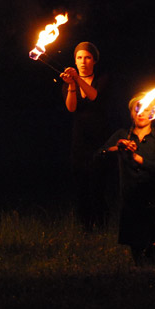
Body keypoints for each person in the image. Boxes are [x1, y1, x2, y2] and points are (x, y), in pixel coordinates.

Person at [97, 93, 155, 265]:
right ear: (131, 113)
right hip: (132, 199)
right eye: (137, 109)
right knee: (141, 258)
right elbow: (99, 156)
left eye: (145, 109)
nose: (141, 113)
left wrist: (134, 156)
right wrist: (118, 147)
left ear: (153, 112)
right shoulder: (122, 134)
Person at [60, 41, 111, 232]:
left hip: (99, 140)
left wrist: (77, 79)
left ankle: (103, 227)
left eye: (87, 57)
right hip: (79, 142)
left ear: (94, 60)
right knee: (82, 190)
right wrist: (72, 84)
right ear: (75, 60)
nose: (83, 61)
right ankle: (87, 229)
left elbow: (94, 96)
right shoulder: (69, 83)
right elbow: (71, 107)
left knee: (98, 188)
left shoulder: (103, 79)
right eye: (79, 58)